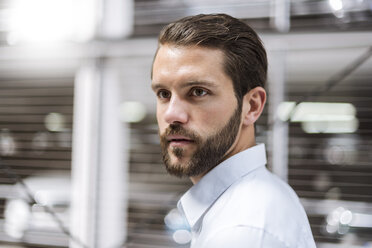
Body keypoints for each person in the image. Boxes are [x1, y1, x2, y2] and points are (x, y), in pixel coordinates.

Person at [151, 13, 316, 248]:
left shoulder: (242, 232)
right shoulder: (255, 200)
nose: (171, 114)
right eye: (163, 94)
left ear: (252, 106)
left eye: (198, 91)